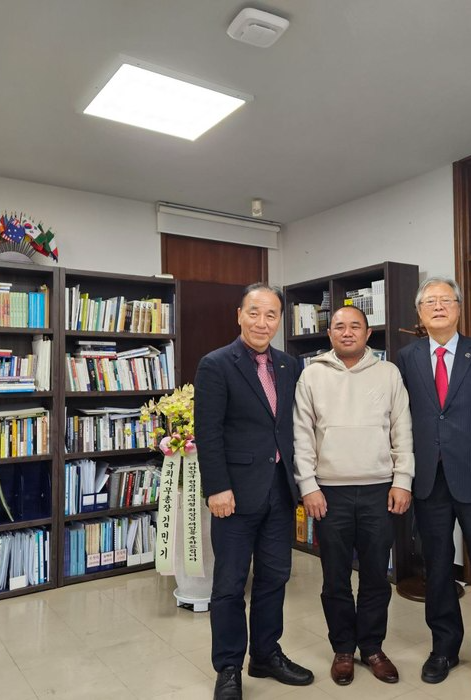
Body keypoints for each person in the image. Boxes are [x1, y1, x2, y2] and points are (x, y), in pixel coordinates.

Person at [396, 276, 471, 697]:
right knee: (436, 569)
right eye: (429, 301)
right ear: (419, 312)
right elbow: (400, 418)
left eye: (445, 300)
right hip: (428, 478)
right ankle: (444, 648)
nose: (438, 306)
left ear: (458, 308)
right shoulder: (406, 358)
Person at [194, 283, 314, 700]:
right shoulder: (216, 364)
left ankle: (265, 654)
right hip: (234, 495)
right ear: (239, 315)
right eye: (254, 313)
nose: (262, 322)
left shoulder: (288, 364)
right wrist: (217, 488)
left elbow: (291, 426)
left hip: (279, 491)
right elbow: (207, 432)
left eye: (271, 315)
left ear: (280, 320)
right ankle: (228, 667)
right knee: (229, 584)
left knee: (274, 577)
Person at [293, 305, 415, 686]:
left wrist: (403, 480)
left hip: (380, 490)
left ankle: (372, 647)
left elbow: (402, 429)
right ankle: (343, 648)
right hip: (329, 494)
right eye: (339, 327)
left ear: (367, 333)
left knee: (377, 576)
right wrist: (309, 486)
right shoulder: (312, 375)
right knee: (335, 578)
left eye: (355, 326)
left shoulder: (388, 373)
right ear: (329, 333)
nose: (347, 332)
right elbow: (302, 435)